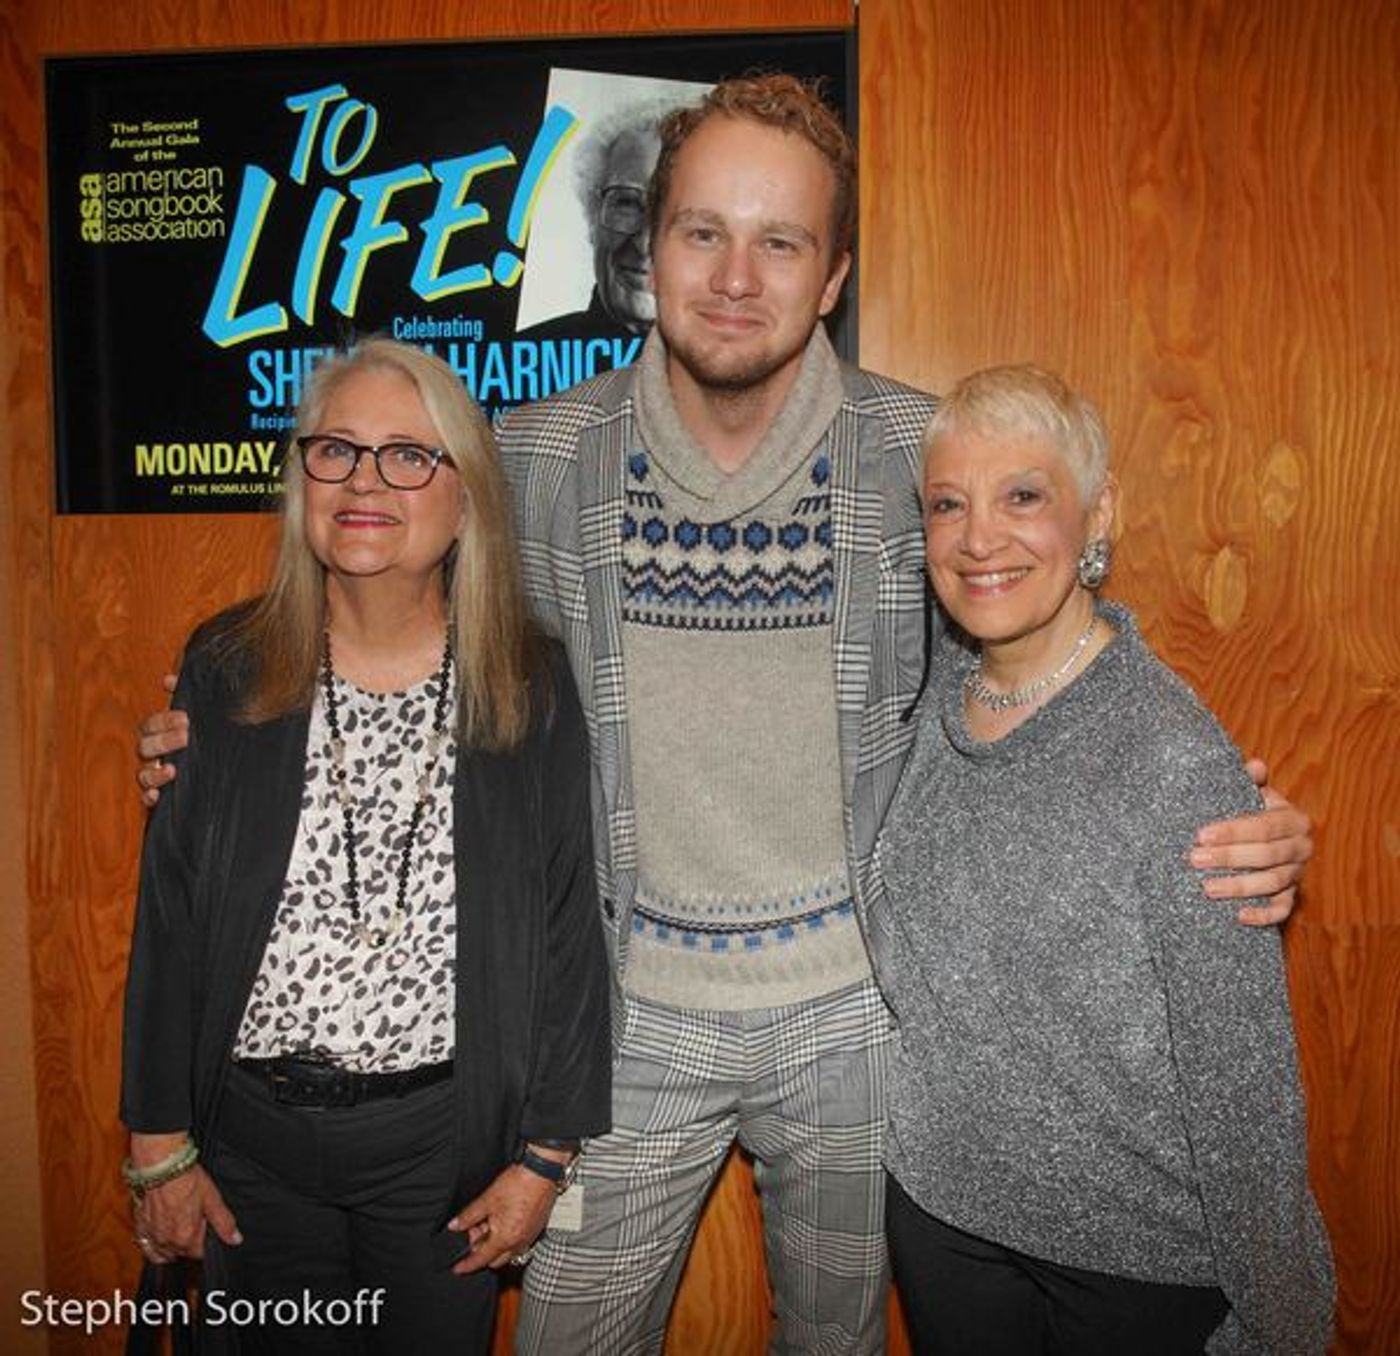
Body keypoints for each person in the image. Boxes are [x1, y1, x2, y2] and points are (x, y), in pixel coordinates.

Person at [137, 77, 1314, 1354]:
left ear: (832, 275)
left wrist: (1213, 806)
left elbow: (1031, 670)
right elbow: (396, 616)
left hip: (856, 1020)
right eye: (703, 232)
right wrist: (218, 744)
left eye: (781, 241)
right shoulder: (533, 458)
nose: (736, 276)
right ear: (650, 250)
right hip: (621, 1016)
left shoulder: (919, 459)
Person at [121, 338, 611, 1354]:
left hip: (438, 1156)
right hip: (247, 1146)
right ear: (300, 477)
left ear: (468, 497)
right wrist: (157, 1144)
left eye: (408, 455)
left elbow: (570, 930)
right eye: (335, 450)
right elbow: (167, 924)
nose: (364, 481)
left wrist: (543, 1157)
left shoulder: (529, 683)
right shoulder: (226, 667)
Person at [877, 364, 1334, 1354]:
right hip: (939, 1222)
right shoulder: (931, 693)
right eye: (947, 504)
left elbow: (1241, 1080)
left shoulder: (1171, 758)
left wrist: (1281, 1318)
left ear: (1097, 516)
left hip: (1129, 1267)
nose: (978, 537)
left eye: (1022, 496)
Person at [520, 101, 670, 342]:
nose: (644, 244)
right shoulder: (515, 361)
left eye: (673, 210)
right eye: (627, 203)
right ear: (591, 217)